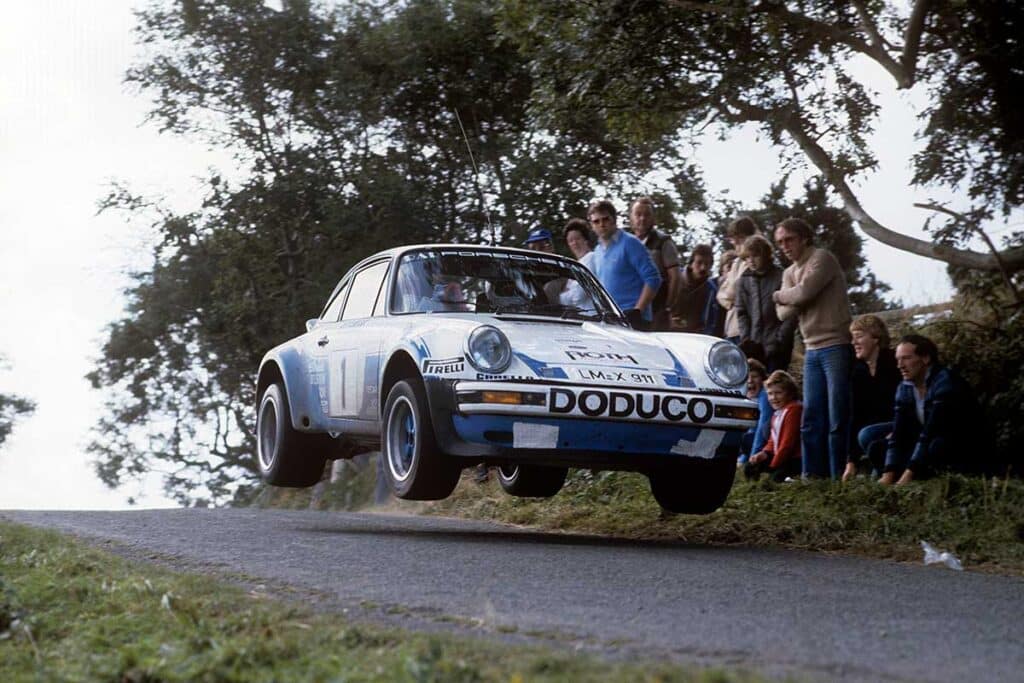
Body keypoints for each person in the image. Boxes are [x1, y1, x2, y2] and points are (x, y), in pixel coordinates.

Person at [772, 217, 853, 479]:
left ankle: (839, 474)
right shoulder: (789, 272)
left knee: (837, 414)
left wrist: (779, 295)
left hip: (835, 343)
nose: (785, 246)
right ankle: (812, 475)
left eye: (789, 239)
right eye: (780, 242)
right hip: (811, 347)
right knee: (811, 417)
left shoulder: (822, 258)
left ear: (804, 238)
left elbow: (804, 293)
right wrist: (795, 296)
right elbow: (783, 314)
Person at [879, 334, 989, 485]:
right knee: (878, 445)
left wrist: (908, 475)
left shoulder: (946, 382)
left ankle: (936, 479)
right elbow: (899, 431)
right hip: (926, 438)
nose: (900, 365)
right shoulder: (904, 387)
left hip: (960, 443)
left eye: (906, 358)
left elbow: (930, 431)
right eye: (898, 359)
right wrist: (888, 473)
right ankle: (895, 477)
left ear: (925, 358)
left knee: (936, 446)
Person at [842, 314, 901, 481]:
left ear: (876, 338)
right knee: (866, 435)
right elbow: (856, 416)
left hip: (901, 425)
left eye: (859, 336)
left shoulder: (895, 363)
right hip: (876, 434)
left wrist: (896, 430)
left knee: (867, 434)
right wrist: (851, 461)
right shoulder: (858, 372)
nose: (853, 342)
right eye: (852, 337)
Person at [588, 199, 661, 330]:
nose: (602, 224)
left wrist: (638, 310)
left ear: (614, 219)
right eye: (596, 221)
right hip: (611, 319)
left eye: (605, 219)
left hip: (634, 319)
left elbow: (653, 278)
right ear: (592, 225)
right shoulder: (597, 251)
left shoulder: (630, 243)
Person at [734, 234, 796, 373]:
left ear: (766, 255)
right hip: (753, 346)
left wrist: (780, 339)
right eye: (747, 257)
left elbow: (791, 313)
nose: (751, 261)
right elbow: (741, 313)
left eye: (755, 256)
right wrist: (746, 340)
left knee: (775, 380)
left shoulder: (781, 276)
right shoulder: (743, 280)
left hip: (778, 346)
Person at [630, 197, 680, 331]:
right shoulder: (627, 242)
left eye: (647, 215)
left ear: (653, 218)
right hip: (631, 305)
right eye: (638, 214)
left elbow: (675, 277)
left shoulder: (663, 242)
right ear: (631, 217)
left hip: (656, 306)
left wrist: (667, 306)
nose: (642, 218)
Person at [744, 370, 803, 482]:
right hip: (779, 455)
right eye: (770, 394)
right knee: (750, 466)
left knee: (776, 478)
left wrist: (773, 467)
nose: (773, 398)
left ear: (790, 393)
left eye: (778, 393)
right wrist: (764, 453)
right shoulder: (777, 413)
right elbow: (772, 440)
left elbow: (787, 444)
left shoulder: (794, 409)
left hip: (794, 458)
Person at [716, 216, 759, 343]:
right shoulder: (736, 263)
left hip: (749, 328)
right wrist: (731, 298)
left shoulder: (755, 261)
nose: (736, 245)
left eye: (739, 240)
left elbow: (733, 290)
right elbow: (720, 294)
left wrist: (731, 295)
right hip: (731, 328)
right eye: (734, 241)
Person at [670, 244, 719, 335]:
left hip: (694, 337)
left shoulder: (711, 290)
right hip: (667, 332)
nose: (703, 268)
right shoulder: (674, 279)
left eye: (707, 264)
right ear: (691, 263)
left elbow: (711, 320)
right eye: (699, 263)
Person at [546, 218, 596, 307]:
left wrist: (561, 296)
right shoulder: (576, 264)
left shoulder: (591, 258)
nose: (574, 243)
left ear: (586, 239)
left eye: (578, 238)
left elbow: (578, 296)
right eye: (570, 241)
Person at [739, 358, 773, 467]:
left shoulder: (765, 394)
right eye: (746, 377)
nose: (750, 380)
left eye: (754, 376)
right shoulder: (745, 394)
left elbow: (762, 426)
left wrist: (752, 457)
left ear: (763, 379)